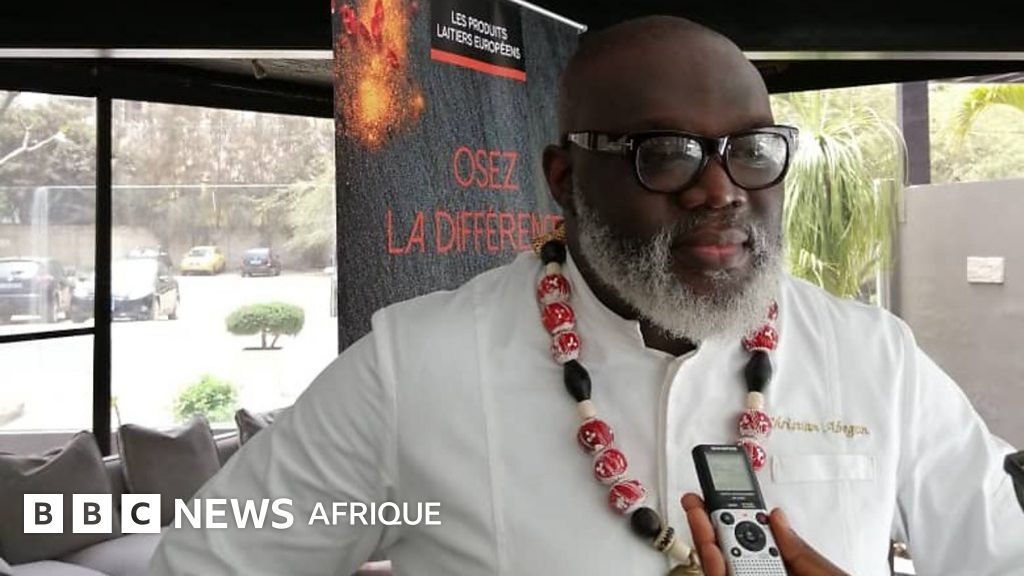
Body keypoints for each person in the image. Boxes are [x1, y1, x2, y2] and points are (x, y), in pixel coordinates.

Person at [150, 16, 1024, 576]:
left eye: (752, 151)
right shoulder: (416, 367)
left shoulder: (875, 357)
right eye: (665, 154)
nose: (721, 191)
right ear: (566, 180)